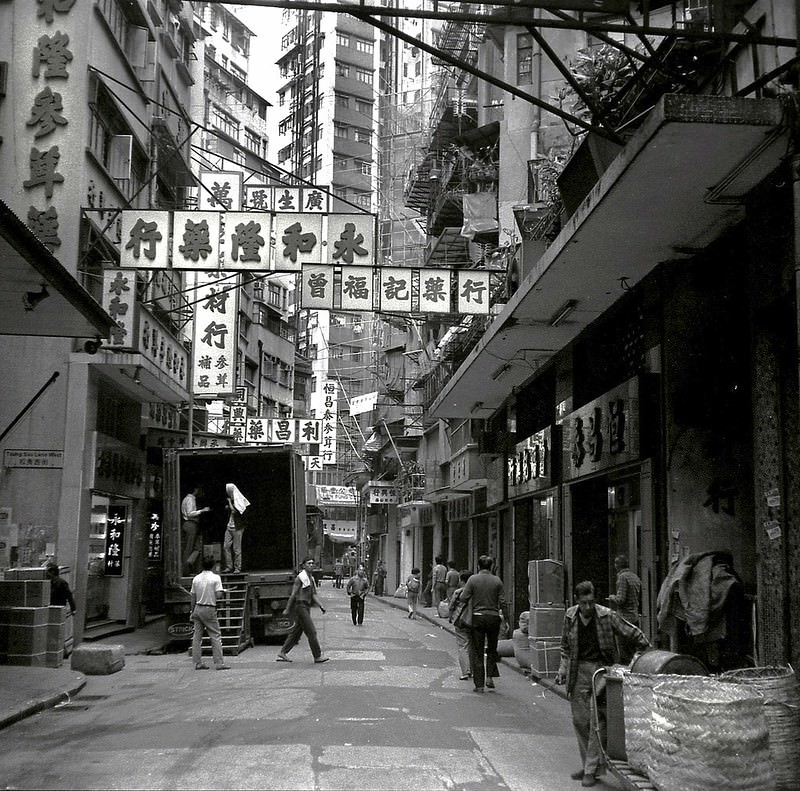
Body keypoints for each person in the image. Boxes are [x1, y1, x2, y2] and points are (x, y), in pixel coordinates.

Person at [555, 580, 650, 787]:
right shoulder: (570, 617)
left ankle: (590, 769)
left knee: (596, 722)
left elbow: (633, 633)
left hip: (600, 671)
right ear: (577, 602)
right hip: (577, 671)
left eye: (591, 602)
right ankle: (591, 765)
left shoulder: (607, 616)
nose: (588, 607)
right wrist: (562, 669)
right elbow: (565, 646)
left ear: (594, 599)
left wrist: (641, 655)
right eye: (584, 603)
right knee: (580, 721)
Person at [458, 555, 508, 694]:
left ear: (478, 566)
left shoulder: (473, 579)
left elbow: (463, 597)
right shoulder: (497, 580)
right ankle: (490, 677)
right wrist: (507, 619)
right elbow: (503, 602)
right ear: (491, 566)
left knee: (477, 651)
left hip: (478, 618)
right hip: (493, 618)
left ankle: (479, 685)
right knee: (492, 648)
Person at [277, 557, 329, 663]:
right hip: (300, 606)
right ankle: (317, 656)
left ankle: (283, 652)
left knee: (296, 632)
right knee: (312, 632)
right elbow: (293, 595)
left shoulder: (311, 578)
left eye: (312, 563)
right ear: (304, 565)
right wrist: (287, 609)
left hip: (306, 606)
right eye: (308, 563)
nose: (311, 565)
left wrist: (320, 606)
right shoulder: (300, 578)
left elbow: (313, 595)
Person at [190, 555, 231, 671]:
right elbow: (218, 595)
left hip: (198, 608)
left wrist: (192, 611)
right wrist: (222, 591)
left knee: (197, 637)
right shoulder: (215, 578)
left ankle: (198, 663)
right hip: (209, 609)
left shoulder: (196, 578)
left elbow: (193, 596)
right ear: (213, 566)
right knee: (215, 635)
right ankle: (219, 663)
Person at [448, 569, 473, 680]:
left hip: (461, 621)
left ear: (462, 580)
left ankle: (465, 672)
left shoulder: (459, 592)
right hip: (474, 621)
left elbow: (451, 607)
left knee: (463, 646)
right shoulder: (475, 592)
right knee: (473, 645)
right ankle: (472, 670)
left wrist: (450, 618)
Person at [181, 485, 210, 575]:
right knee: (189, 547)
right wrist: (202, 511)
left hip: (192, 524)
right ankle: (185, 570)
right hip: (190, 524)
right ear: (196, 489)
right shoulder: (190, 499)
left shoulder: (189, 499)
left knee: (197, 548)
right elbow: (189, 513)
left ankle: (190, 563)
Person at [222, 483, 250, 573]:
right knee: (226, 546)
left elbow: (235, 510)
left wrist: (229, 502)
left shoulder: (239, 500)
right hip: (229, 527)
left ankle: (237, 568)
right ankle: (229, 566)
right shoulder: (234, 500)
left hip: (237, 528)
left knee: (236, 549)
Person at [607, 555, 642, 625]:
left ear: (617, 566)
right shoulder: (635, 576)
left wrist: (612, 597)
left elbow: (621, 599)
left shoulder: (622, 577)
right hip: (634, 615)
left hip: (625, 617)